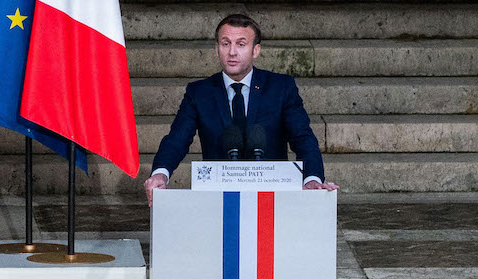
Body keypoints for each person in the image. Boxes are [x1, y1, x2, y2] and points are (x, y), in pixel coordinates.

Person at [144, 13, 337, 204]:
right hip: (218, 198)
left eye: (241, 44)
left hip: (272, 199)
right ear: (216, 49)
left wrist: (312, 179)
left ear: (255, 50)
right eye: (225, 43)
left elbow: (302, 137)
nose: (232, 52)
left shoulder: (280, 87)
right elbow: (177, 139)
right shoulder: (199, 92)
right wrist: (161, 174)